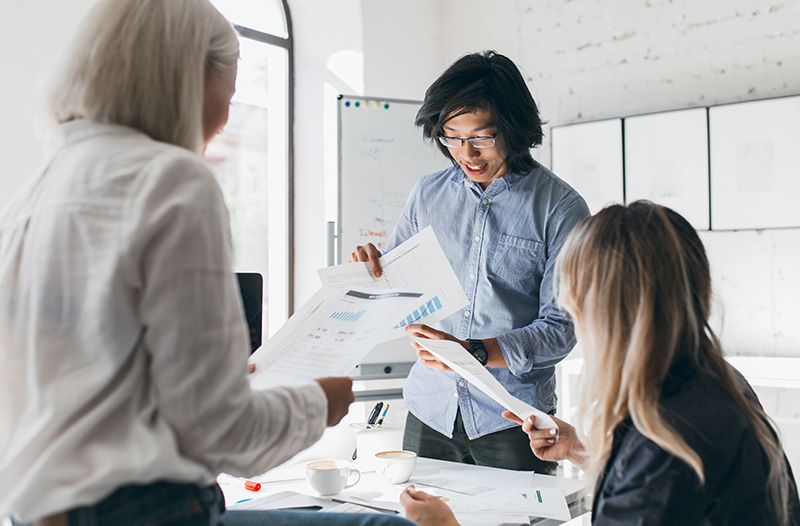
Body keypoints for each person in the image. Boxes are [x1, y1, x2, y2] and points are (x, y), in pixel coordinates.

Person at [0, 2, 413, 526]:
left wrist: (206, 376)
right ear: (187, 76)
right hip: (146, 508)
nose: (223, 119)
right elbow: (222, 435)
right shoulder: (172, 180)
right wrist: (320, 403)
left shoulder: (37, 191)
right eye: (232, 92)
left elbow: (86, 379)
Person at [399, 201, 800, 525]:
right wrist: (582, 451)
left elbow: (656, 484)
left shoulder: (666, 436)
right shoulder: (715, 382)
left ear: (605, 311)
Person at [350, 51, 590, 472]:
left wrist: (475, 352)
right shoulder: (426, 195)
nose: (466, 153)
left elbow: (561, 331)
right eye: (452, 137)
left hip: (513, 420)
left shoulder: (560, 208)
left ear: (514, 130)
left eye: (482, 137)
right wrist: (371, 268)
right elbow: (400, 290)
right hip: (430, 409)